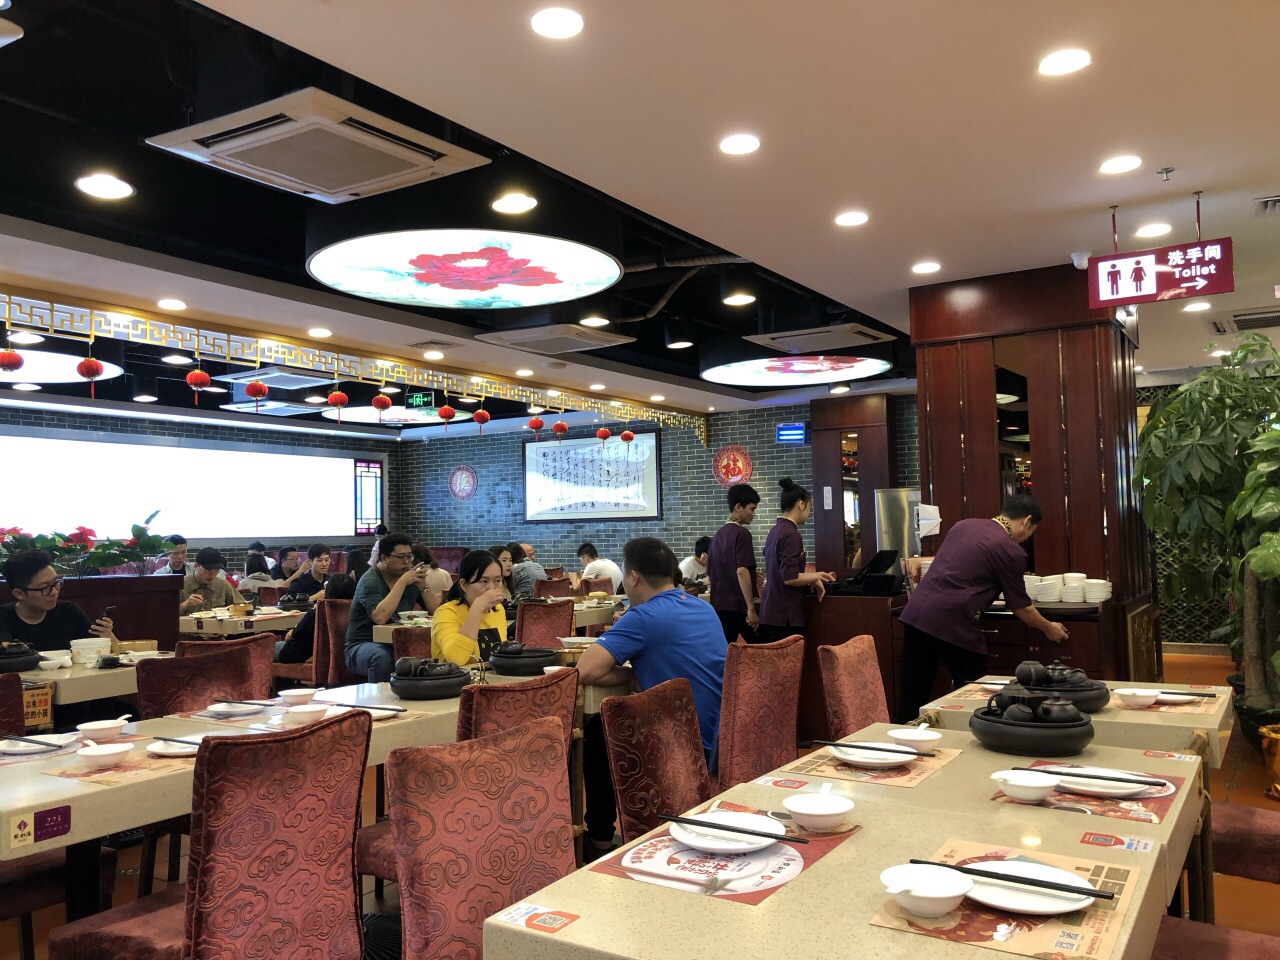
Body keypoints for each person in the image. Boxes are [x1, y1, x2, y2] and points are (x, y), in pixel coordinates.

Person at [577, 537, 727, 858]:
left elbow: (584, 670)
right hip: (721, 738)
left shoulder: (643, 617)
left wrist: (629, 675)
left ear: (633, 577)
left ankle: (600, 840)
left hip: (682, 743)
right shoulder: (703, 608)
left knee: (597, 731)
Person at [898, 494, 1069, 723]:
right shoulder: (1010, 550)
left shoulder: (963, 525)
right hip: (954, 621)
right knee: (975, 688)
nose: (1027, 537)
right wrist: (1048, 627)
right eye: (1031, 531)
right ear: (1027, 521)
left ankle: (902, 736)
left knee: (913, 690)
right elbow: (1021, 607)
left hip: (917, 613)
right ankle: (974, 734)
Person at [757, 478, 836, 643]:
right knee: (788, 660)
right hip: (784, 614)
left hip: (770, 611)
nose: (809, 512)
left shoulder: (775, 530)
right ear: (801, 504)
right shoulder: (791, 534)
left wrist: (811, 578)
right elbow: (789, 577)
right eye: (809, 507)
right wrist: (817, 575)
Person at [345, 533, 428, 682]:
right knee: (381, 657)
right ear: (384, 558)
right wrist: (401, 583)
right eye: (401, 557)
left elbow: (437, 611)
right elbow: (380, 617)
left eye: (409, 556)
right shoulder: (370, 580)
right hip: (363, 645)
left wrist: (423, 587)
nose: (407, 562)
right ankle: (379, 697)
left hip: (398, 641)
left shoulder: (409, 578)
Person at [0, 549, 116, 650]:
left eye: (56, 582)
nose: (54, 592)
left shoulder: (69, 611)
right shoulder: (4, 617)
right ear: (19, 594)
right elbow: (7, 658)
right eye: (45, 588)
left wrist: (107, 637)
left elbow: (115, 653)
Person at [430, 549, 508, 667]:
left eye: (497, 580)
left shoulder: (498, 609)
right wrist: (477, 608)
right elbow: (455, 660)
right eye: (484, 581)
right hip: (456, 677)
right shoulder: (446, 612)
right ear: (464, 585)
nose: (491, 588)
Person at [708, 483, 761, 644]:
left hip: (719, 606)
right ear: (738, 507)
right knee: (762, 650)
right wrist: (751, 609)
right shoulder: (742, 534)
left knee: (725, 651)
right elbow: (741, 571)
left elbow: (711, 574)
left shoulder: (717, 535)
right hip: (739, 607)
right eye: (752, 509)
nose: (754, 514)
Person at [276, 574, 356, 663]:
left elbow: (289, 637)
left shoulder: (317, 613)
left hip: (300, 654)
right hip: (338, 658)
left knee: (266, 647)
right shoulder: (355, 613)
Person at [179, 548, 244, 612]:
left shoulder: (223, 586)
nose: (212, 575)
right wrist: (185, 605)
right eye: (208, 570)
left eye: (216, 570)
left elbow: (243, 607)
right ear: (195, 566)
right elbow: (172, 612)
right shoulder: (180, 585)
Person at [412, 542, 454, 614]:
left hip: (423, 613)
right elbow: (451, 596)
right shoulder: (445, 573)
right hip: (446, 609)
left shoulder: (417, 574)